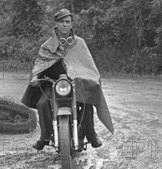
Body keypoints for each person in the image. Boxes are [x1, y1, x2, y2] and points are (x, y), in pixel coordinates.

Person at [21, 9, 114, 150]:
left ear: (71, 24)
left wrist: (91, 78)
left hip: (75, 83)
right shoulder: (47, 45)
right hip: (51, 82)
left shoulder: (79, 43)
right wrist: (35, 77)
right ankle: (45, 136)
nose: (64, 24)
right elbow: (39, 64)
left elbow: (88, 66)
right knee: (42, 103)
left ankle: (91, 135)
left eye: (67, 22)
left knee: (86, 101)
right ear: (56, 24)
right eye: (61, 22)